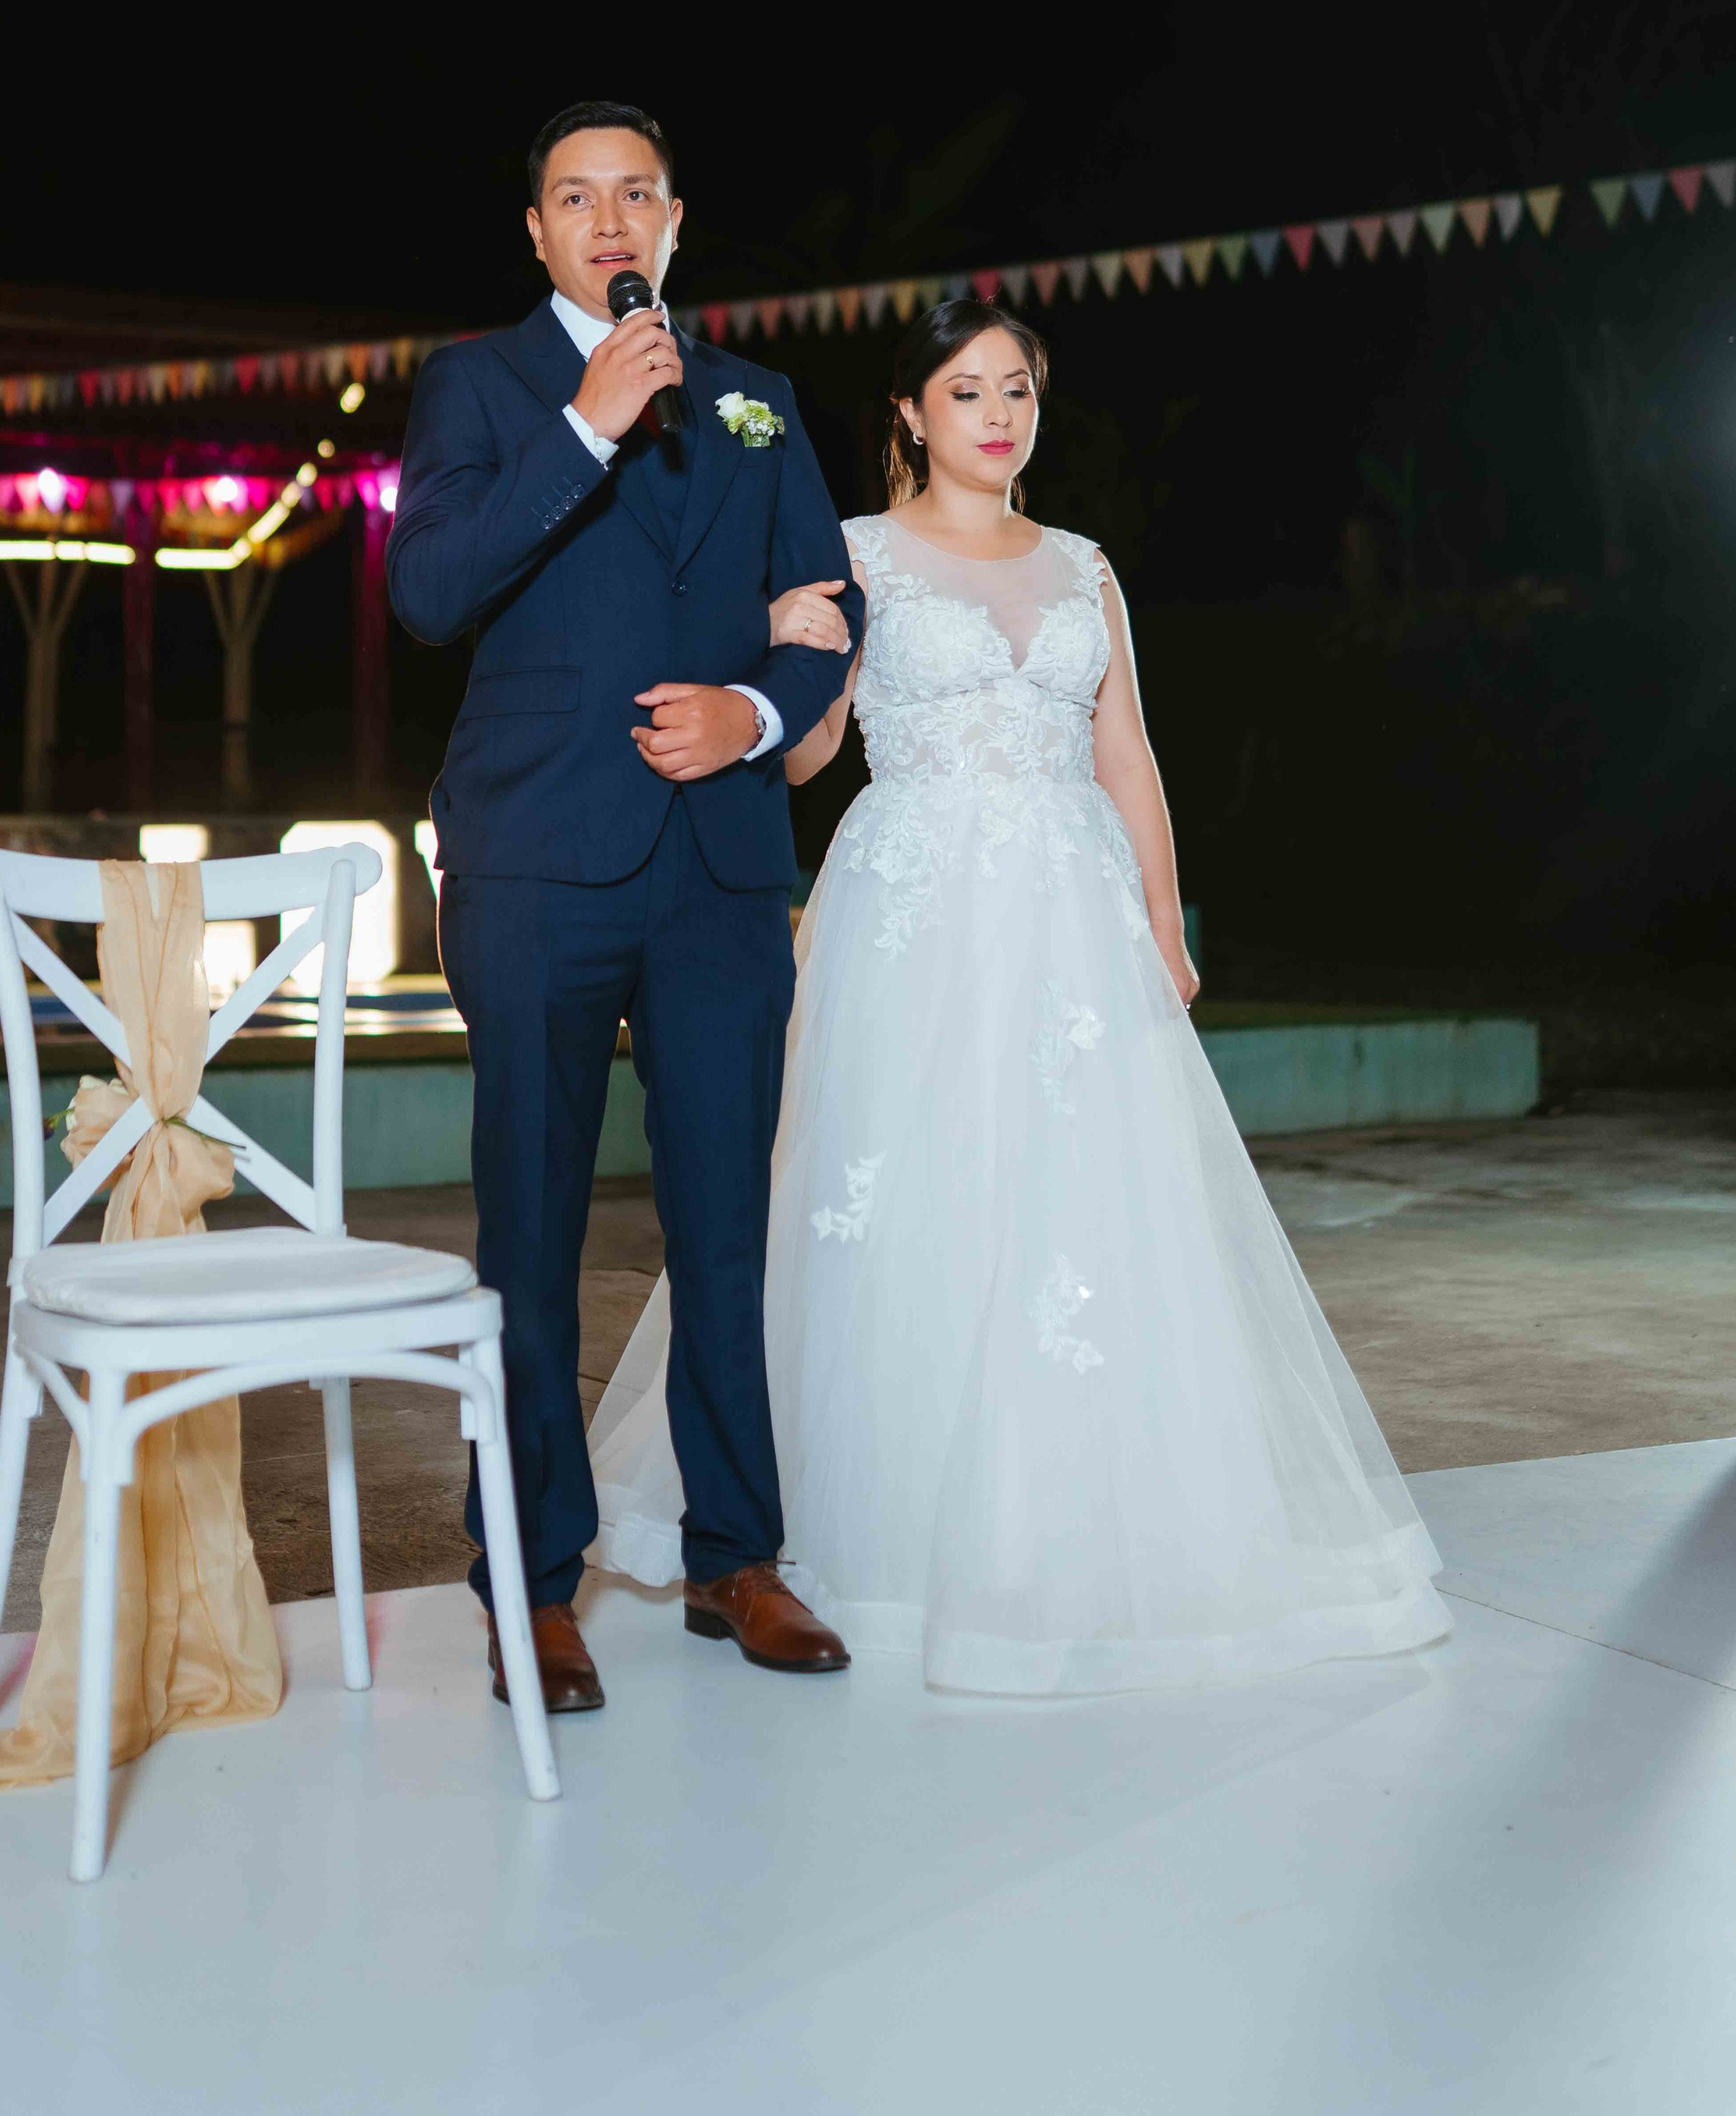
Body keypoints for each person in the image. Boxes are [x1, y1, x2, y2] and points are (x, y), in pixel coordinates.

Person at [590, 299, 1450, 1692]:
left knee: (1085, 1202)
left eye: (1018, 392)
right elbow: (808, 762)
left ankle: (1080, 1515)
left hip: (1072, 912)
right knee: (895, 1195)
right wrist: (780, 646)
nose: (997, 414)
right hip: (910, 909)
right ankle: (825, 1529)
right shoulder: (857, 555)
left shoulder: (1085, 568)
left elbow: (1131, 757)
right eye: (966, 390)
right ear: (911, 416)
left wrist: (1165, 925)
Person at [385, 100, 865, 1713]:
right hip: (534, 860)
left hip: (719, 863)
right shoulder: (478, 383)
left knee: (724, 1226)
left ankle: (737, 1558)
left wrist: (754, 704)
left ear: (674, 222)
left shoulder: (757, 403)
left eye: (635, 194)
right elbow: (429, 592)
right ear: (535, 232)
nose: (608, 219)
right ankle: (530, 1583)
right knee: (529, 1230)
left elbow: (820, 608)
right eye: (574, 197)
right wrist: (582, 430)